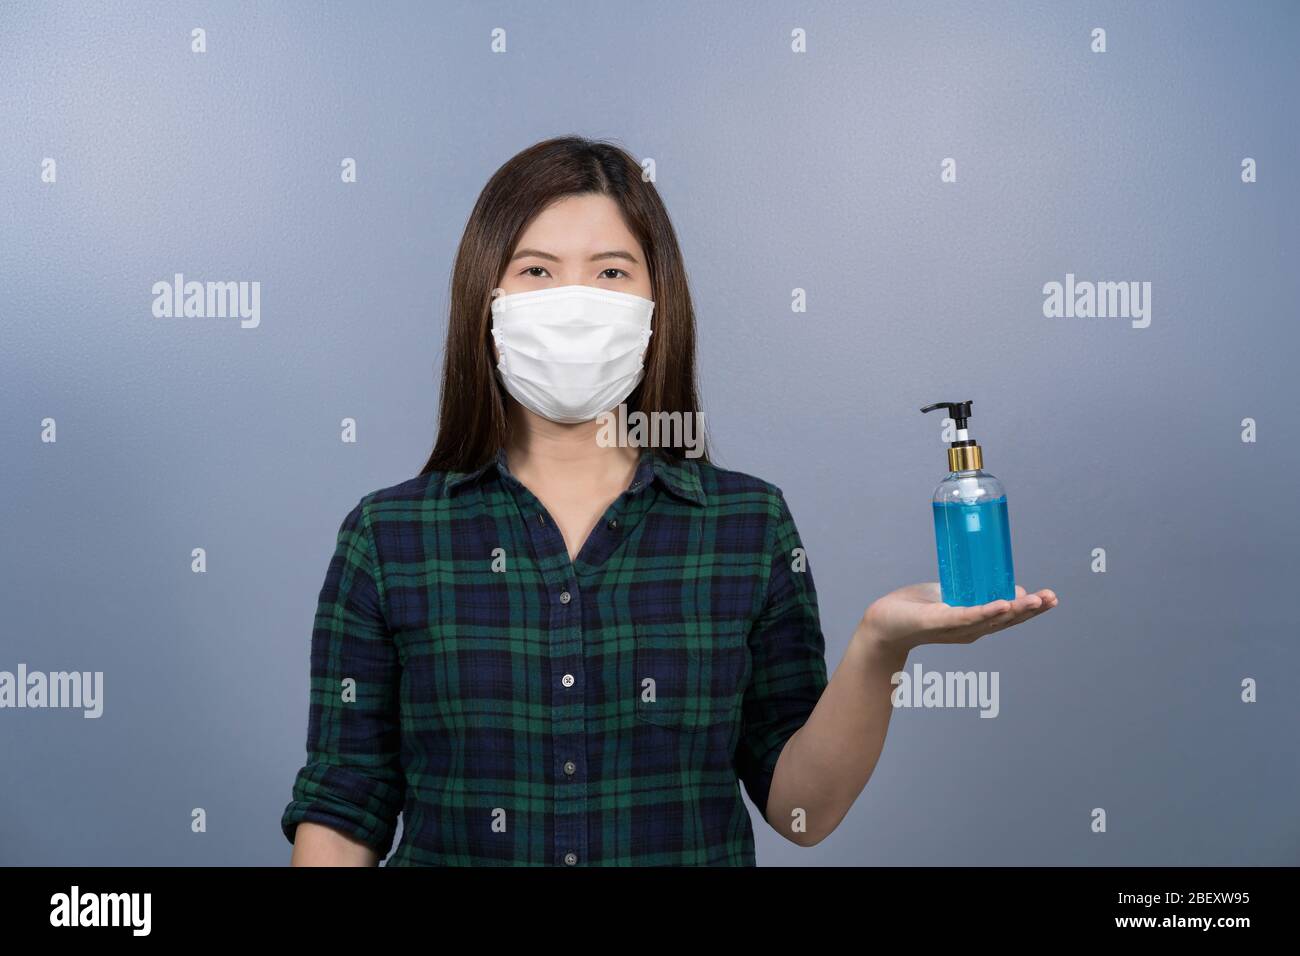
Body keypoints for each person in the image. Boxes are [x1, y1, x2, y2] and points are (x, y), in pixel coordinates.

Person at [280, 135, 1057, 866]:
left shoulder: (747, 528)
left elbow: (802, 814)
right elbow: (346, 806)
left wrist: (881, 648)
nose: (574, 301)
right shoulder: (388, 537)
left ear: (657, 305)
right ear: (487, 299)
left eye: (611, 272)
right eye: (538, 271)